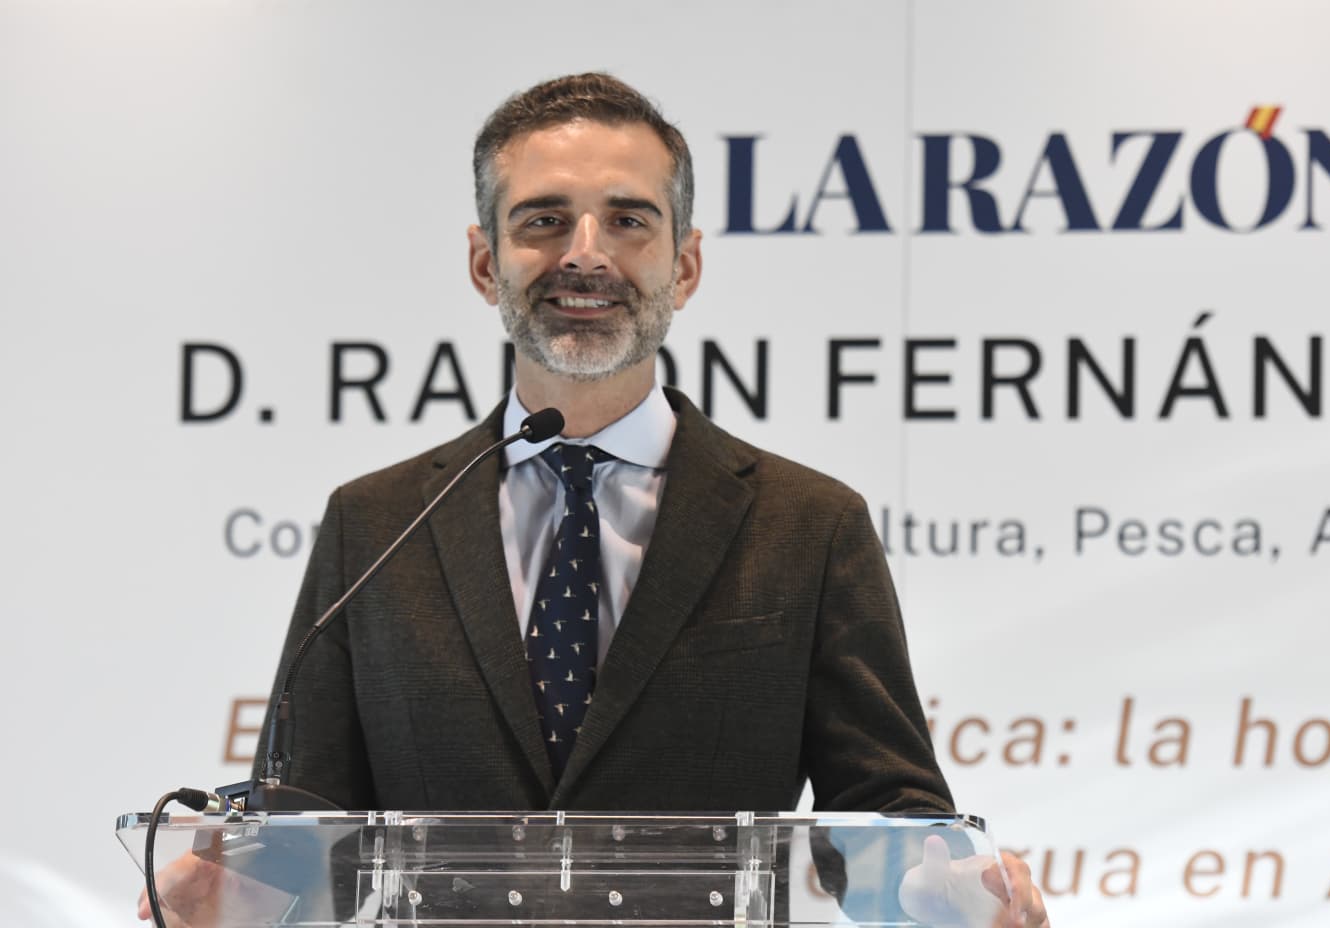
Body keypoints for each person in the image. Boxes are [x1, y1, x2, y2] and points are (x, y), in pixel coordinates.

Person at [141, 72, 1048, 927]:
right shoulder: (375, 524)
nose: (584, 253)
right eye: (543, 220)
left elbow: (885, 814)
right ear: (485, 263)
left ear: (684, 266)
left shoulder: (808, 526)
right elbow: (307, 826)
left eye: (627, 220)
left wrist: (937, 890)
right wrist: (241, 895)